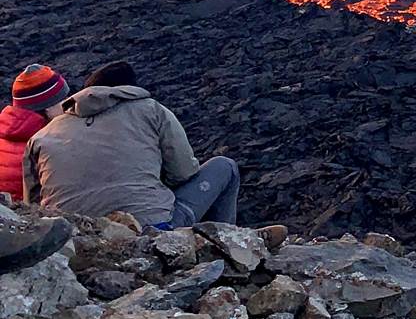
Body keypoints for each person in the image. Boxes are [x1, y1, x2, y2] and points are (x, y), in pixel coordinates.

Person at [22, 61, 243, 230]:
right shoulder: (151, 109)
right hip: (152, 229)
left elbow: (31, 208)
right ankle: (223, 245)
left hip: (77, 237)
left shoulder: (41, 137)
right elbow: (183, 173)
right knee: (225, 166)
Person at [2, 65, 69, 202]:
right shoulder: (46, 145)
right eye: (63, 100)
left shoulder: (6, 131)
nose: (69, 104)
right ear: (48, 107)